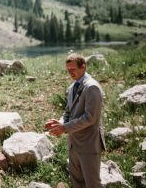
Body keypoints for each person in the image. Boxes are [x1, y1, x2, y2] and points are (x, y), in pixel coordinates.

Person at [45, 53, 106, 188]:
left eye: (73, 69)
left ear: (83, 67)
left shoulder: (92, 87)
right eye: (68, 70)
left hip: (89, 144)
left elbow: (90, 117)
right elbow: (68, 112)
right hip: (73, 144)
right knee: (77, 182)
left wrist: (65, 128)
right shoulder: (72, 87)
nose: (70, 73)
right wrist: (59, 123)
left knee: (92, 183)